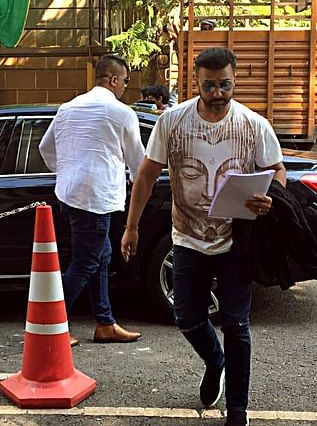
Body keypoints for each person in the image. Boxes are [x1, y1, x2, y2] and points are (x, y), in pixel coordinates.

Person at [120, 47, 286, 426]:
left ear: (234, 80)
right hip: (187, 238)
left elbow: (276, 170)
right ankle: (215, 362)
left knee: (236, 325)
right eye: (209, 86)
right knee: (187, 317)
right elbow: (145, 175)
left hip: (236, 240)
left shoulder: (253, 124)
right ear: (195, 83)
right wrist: (132, 226)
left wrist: (270, 198)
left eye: (224, 85)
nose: (217, 93)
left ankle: (238, 412)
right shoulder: (173, 122)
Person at [39, 54, 145, 346]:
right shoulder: (121, 112)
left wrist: (68, 171)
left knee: (101, 256)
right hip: (97, 196)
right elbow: (139, 163)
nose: (125, 87)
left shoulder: (67, 108)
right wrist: (141, 184)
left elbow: (45, 148)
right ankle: (48, 324)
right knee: (86, 262)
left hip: (71, 194)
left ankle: (105, 322)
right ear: (113, 80)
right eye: (125, 81)